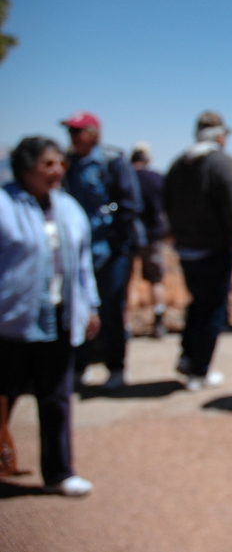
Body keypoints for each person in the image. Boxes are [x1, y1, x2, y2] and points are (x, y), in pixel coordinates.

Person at [1, 137, 100, 496]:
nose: (57, 170)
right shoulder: (3, 205)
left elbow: (83, 264)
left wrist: (91, 305)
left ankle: (59, 473)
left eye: (60, 163)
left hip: (59, 317)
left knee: (56, 397)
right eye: (47, 164)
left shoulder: (69, 208)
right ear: (25, 168)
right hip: (11, 322)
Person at [61, 110, 144, 391]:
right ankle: (79, 367)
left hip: (111, 251)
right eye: (70, 131)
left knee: (111, 310)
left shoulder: (113, 162)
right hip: (78, 252)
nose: (73, 137)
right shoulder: (67, 165)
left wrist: (115, 237)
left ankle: (115, 367)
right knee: (78, 309)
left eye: (77, 131)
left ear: (93, 134)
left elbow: (131, 204)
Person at [163, 111, 232, 391]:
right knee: (212, 310)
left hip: (186, 250)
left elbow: (167, 204)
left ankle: (188, 356)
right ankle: (200, 370)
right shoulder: (220, 163)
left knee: (197, 304)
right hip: (215, 250)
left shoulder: (177, 165)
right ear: (220, 136)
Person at [130, 142, 169, 338]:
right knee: (156, 279)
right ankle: (158, 322)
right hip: (154, 235)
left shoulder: (126, 177)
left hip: (128, 235)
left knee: (126, 281)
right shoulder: (156, 178)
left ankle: (123, 326)